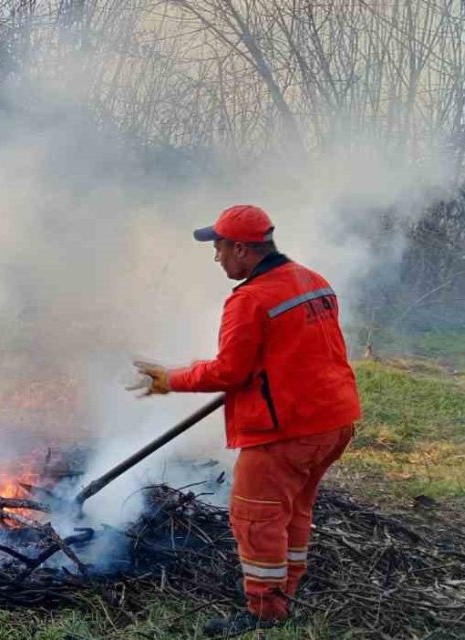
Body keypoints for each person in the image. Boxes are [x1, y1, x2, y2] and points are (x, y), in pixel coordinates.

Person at [129, 204, 361, 636]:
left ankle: (264, 612)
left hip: (287, 430)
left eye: (218, 248)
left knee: (255, 518)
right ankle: (286, 591)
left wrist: (169, 379)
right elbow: (298, 349)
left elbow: (229, 372)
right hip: (334, 420)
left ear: (241, 249)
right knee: (293, 510)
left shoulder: (250, 299)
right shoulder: (314, 281)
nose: (216, 257)